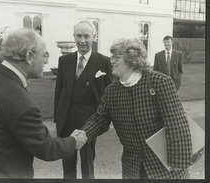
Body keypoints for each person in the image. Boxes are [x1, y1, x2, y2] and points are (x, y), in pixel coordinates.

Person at [0, 28, 87, 178]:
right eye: (45, 55)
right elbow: (47, 148)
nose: (46, 61)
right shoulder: (22, 104)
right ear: (29, 56)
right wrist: (74, 141)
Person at [77, 37, 192, 179]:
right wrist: (79, 135)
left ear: (132, 59)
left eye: (115, 57)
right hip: (132, 169)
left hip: (165, 168)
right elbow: (99, 119)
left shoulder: (159, 82)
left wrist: (177, 164)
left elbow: (177, 124)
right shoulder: (112, 91)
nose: (111, 60)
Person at [54, 20, 113, 179]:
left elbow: (110, 92)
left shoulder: (103, 61)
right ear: (74, 36)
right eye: (78, 36)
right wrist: (57, 118)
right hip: (66, 122)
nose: (82, 40)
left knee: (87, 167)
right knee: (68, 168)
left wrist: (105, 121)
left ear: (94, 37)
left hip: (89, 123)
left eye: (86, 36)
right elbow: (59, 90)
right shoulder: (64, 61)